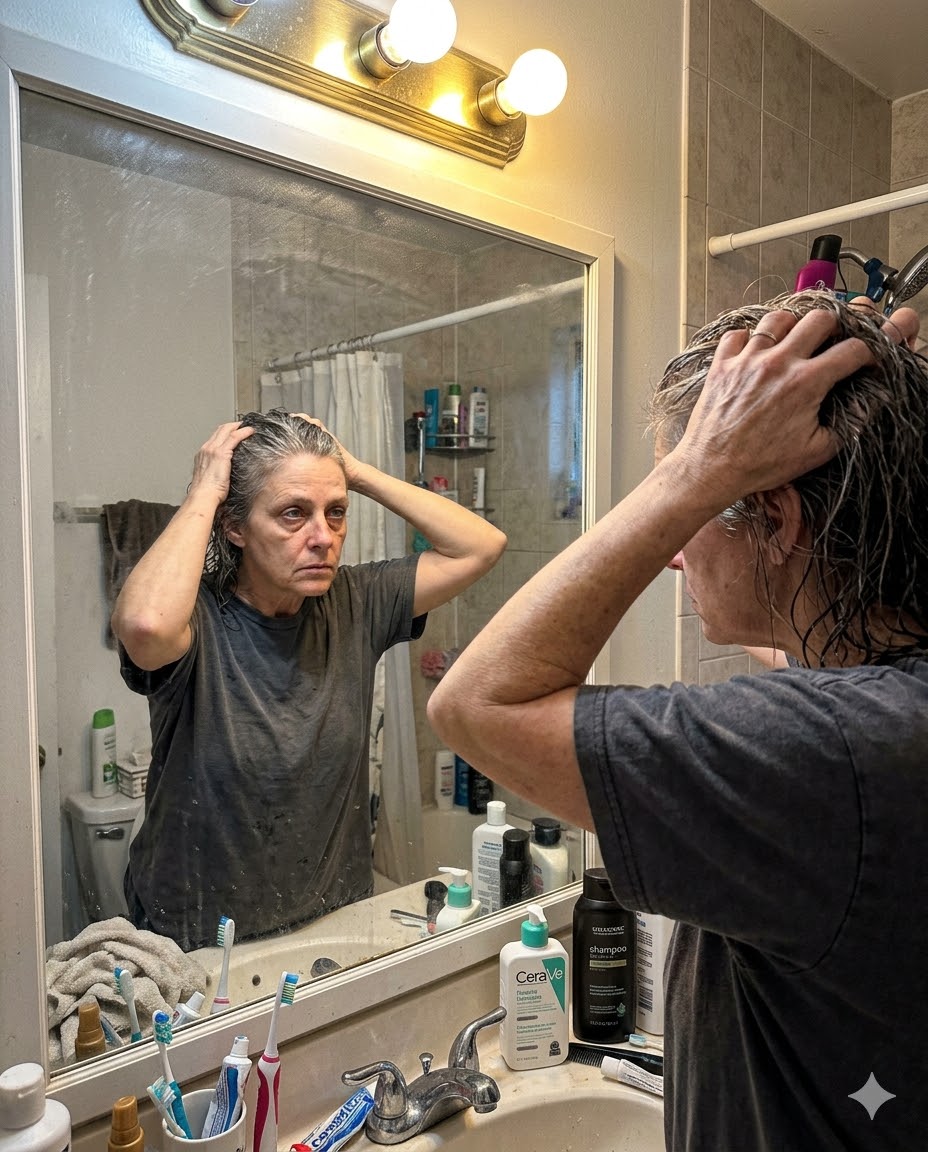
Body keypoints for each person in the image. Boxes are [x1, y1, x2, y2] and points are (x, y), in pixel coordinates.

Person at [428, 292, 928, 1151]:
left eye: (695, 511)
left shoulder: (834, 754)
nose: (671, 553)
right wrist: (888, 432)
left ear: (776, 519)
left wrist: (699, 467)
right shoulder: (891, 717)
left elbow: (476, 705)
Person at [113, 409, 506, 952]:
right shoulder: (194, 621)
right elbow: (145, 625)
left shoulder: (357, 601)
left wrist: (354, 471)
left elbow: (481, 546)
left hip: (332, 924)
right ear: (234, 527)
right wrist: (205, 491)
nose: (323, 537)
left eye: (336, 512)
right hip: (198, 935)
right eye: (293, 514)